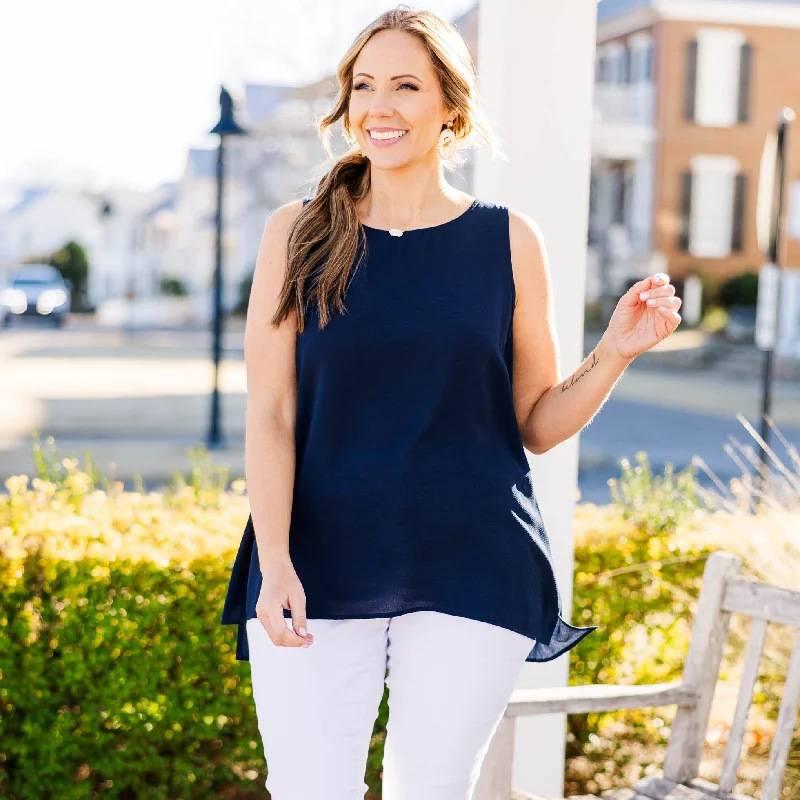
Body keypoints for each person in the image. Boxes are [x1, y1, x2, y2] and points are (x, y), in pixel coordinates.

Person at [220, 7, 682, 799]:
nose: (380, 106)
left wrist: (613, 354)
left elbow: (535, 423)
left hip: (472, 563)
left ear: (451, 110)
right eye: (365, 86)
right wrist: (277, 559)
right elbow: (272, 413)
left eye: (406, 85)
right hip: (318, 561)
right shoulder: (295, 234)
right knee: (308, 786)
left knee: (431, 787)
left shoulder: (509, 240)